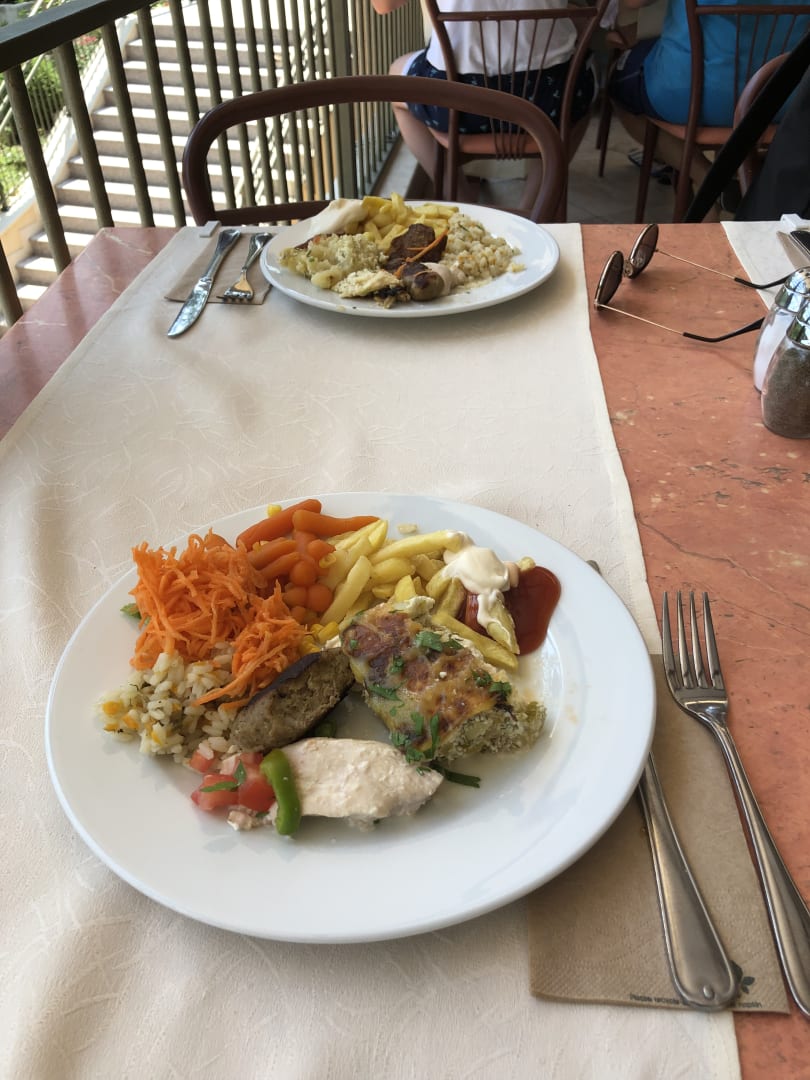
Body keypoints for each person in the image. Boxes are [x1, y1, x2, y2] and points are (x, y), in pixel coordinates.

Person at [372, 0, 597, 197]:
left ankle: (459, 197)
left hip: (457, 106)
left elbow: (383, 5)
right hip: (546, 105)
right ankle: (539, 205)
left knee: (396, 78)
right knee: (580, 95)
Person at [608, 0, 810, 193]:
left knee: (619, 84)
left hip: (691, 97)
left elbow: (633, 2)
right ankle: (734, 178)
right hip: (780, 99)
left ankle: (707, 179)